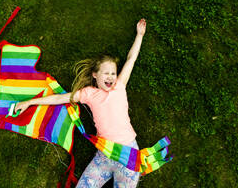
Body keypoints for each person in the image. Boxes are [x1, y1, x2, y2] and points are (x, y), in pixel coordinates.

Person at [15, 18, 147, 187]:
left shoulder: (120, 86)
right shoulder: (88, 94)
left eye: (113, 73)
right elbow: (59, 98)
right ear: (94, 75)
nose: (110, 77)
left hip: (129, 153)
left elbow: (131, 60)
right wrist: (30, 102)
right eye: (105, 73)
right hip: (104, 154)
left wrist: (140, 35)